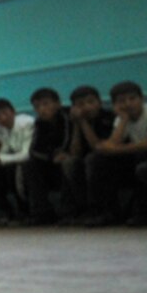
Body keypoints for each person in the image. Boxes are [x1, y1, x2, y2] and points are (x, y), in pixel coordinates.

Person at [84, 81, 147, 225]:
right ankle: (109, 212)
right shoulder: (121, 118)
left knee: (144, 164)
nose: (128, 104)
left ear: (141, 99)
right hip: (146, 156)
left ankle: (143, 212)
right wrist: (123, 120)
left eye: (132, 99)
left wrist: (117, 149)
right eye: (122, 101)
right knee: (98, 160)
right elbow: (111, 145)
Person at [62, 85, 117, 220]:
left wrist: (83, 123)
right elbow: (75, 152)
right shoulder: (72, 121)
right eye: (80, 105)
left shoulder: (109, 117)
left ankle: (102, 209)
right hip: (87, 162)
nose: (86, 107)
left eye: (90, 102)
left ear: (99, 102)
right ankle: (83, 208)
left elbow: (98, 147)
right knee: (70, 162)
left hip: (112, 160)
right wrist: (76, 125)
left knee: (93, 159)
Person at [20, 87, 70, 225]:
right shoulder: (39, 123)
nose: (42, 109)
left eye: (46, 104)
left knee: (68, 163)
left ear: (57, 104)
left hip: (70, 158)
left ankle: (69, 211)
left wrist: (63, 153)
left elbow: (67, 139)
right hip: (51, 162)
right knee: (29, 164)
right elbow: (34, 149)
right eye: (37, 106)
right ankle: (42, 212)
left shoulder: (67, 117)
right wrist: (51, 157)